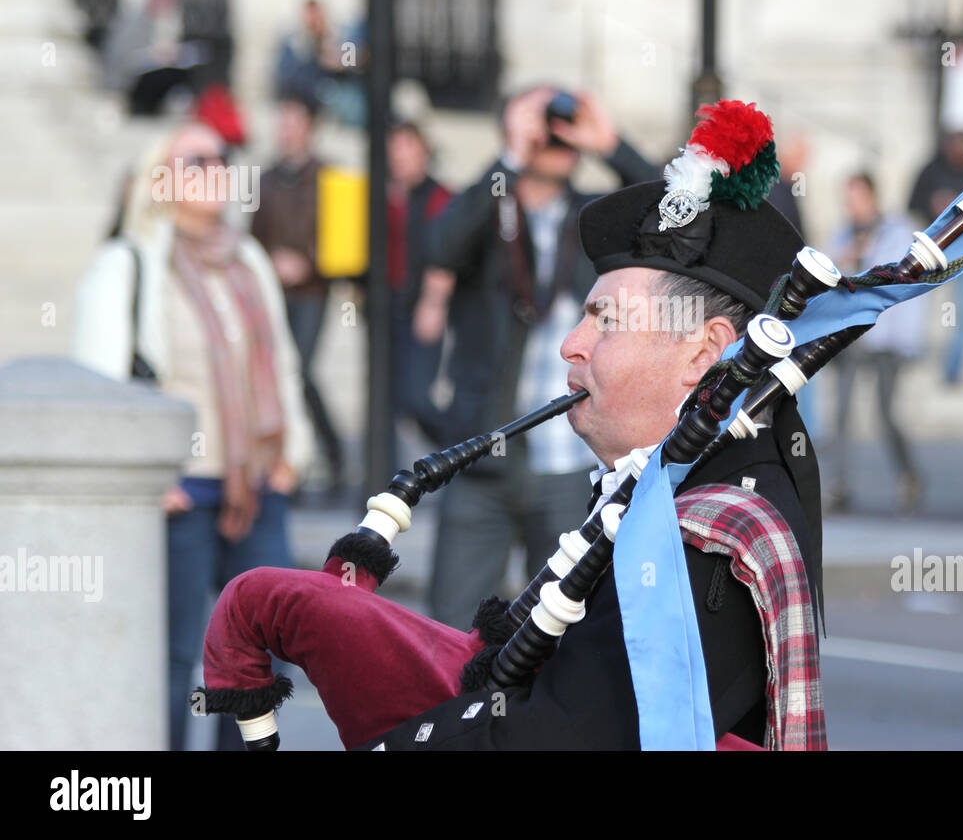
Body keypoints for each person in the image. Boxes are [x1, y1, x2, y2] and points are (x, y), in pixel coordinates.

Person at [197, 99, 825, 750]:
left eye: (604, 320)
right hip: (499, 475)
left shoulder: (706, 539)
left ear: (702, 352)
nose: (571, 345)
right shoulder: (676, 493)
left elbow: (570, 733)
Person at [71, 122, 314, 750]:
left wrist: (290, 455)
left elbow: (281, 363)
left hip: (258, 484)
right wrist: (141, 480)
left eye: (222, 157)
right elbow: (101, 383)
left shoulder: (248, 257)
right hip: (178, 491)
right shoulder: (129, 261)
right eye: (196, 159)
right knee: (173, 655)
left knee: (264, 654)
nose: (215, 167)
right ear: (160, 179)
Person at [418, 86, 659, 630]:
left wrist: (609, 144)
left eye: (562, 127)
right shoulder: (487, 207)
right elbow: (439, 245)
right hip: (485, 449)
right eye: (541, 125)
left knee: (560, 635)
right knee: (450, 630)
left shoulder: (592, 217)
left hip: (571, 458)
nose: (554, 138)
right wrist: (509, 157)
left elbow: (672, 208)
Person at [251, 94, 345, 492]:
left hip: (311, 291)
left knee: (301, 370)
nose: (285, 129)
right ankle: (288, 458)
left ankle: (330, 451)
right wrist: (269, 261)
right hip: (273, 291)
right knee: (280, 371)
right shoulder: (268, 177)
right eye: (281, 120)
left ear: (310, 127)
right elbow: (253, 236)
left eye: (293, 121)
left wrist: (308, 261)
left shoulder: (329, 177)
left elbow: (342, 239)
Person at [824, 172, 927, 513]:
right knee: (841, 413)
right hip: (850, 335)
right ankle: (841, 486)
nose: (851, 207)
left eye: (856, 198)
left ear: (872, 197)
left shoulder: (896, 232)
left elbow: (901, 285)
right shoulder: (843, 235)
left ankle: (909, 475)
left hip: (885, 337)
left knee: (885, 413)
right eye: (847, 200)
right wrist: (843, 263)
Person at [386, 120, 455, 448]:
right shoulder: (383, 196)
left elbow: (446, 253)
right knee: (389, 399)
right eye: (394, 149)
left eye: (407, 148)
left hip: (421, 308)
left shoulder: (439, 197)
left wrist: (434, 302)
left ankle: (458, 451)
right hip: (387, 310)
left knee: (416, 396)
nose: (399, 157)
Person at [906, 129, 963, 384]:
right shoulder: (930, 171)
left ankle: (954, 367)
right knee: (921, 305)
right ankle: (915, 354)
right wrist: (933, 207)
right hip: (931, 251)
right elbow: (911, 207)